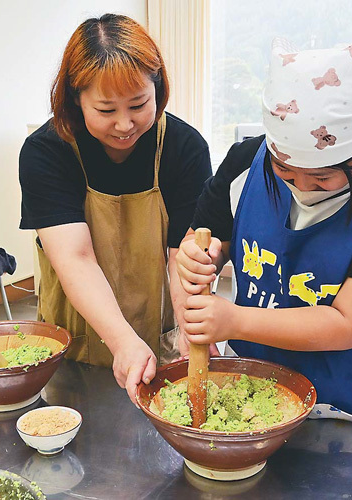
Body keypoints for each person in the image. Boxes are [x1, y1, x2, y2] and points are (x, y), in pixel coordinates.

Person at [175, 35, 352, 425]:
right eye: (283, 171)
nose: (300, 187)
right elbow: (206, 238)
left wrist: (233, 321)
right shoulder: (247, 163)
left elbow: (347, 323)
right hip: (252, 389)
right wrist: (196, 259)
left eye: (322, 177)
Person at [18, 14, 212, 403]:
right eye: (106, 111)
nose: (125, 124)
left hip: (155, 325)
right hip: (76, 337)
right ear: (76, 97)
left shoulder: (184, 148)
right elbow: (76, 258)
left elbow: (182, 257)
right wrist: (123, 340)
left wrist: (192, 334)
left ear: (157, 88)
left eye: (139, 104)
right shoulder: (47, 152)